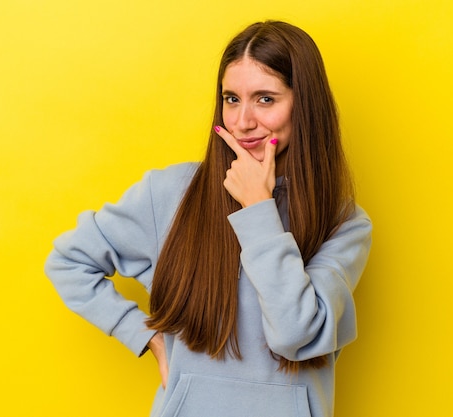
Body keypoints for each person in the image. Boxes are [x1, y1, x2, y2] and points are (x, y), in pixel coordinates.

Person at [45, 20, 372, 417]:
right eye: (232, 99)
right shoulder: (170, 193)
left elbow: (294, 335)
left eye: (265, 99)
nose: (243, 121)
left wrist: (258, 212)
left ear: (304, 105)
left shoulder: (343, 223)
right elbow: (69, 260)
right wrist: (142, 336)